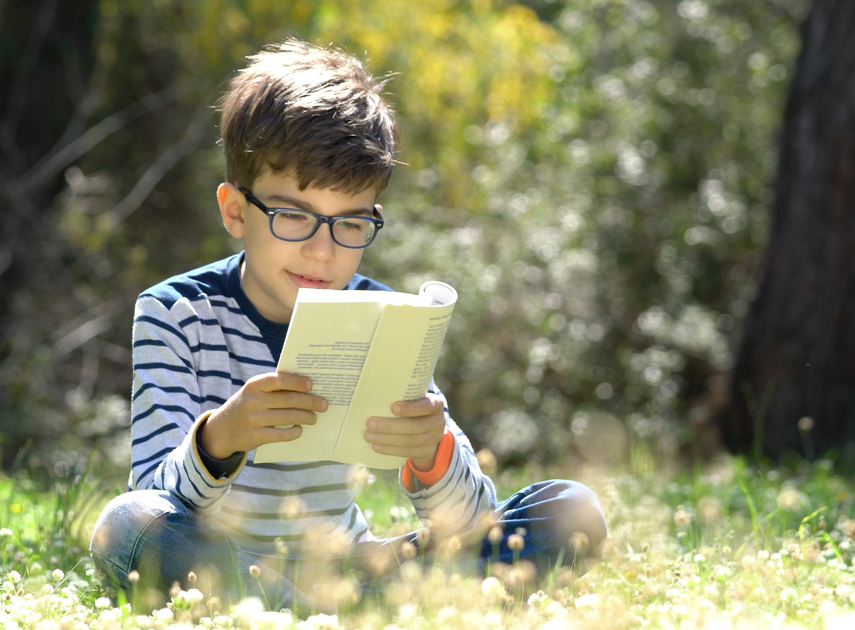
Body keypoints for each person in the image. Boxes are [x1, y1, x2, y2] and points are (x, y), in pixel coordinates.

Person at [89, 39, 606, 610]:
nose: (321, 251)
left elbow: (471, 524)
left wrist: (430, 451)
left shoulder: (384, 317)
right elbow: (154, 505)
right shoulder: (174, 313)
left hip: (354, 570)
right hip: (227, 567)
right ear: (236, 211)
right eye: (291, 216)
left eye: (350, 224)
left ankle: (310, 613)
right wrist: (221, 439)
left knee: (570, 510)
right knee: (125, 527)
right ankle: (322, 614)